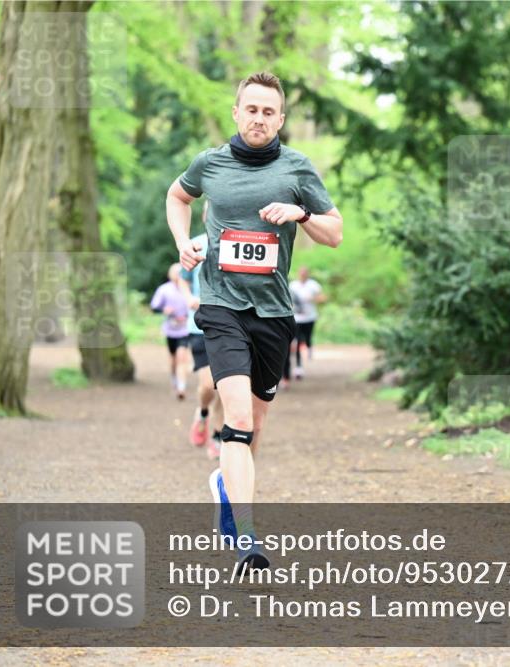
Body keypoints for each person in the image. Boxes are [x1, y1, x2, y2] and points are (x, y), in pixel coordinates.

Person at [166, 71, 342, 570]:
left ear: (280, 119)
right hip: (221, 307)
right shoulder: (210, 164)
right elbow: (177, 196)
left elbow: (335, 233)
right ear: (236, 113)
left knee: (254, 426)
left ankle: (226, 484)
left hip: (274, 313)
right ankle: (247, 539)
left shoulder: (297, 168)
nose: (259, 118)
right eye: (252, 109)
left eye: (269, 111)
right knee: (238, 421)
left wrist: (301, 214)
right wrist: (183, 241)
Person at [179, 201, 225, 458]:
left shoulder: (236, 243)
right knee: (209, 385)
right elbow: (182, 279)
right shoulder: (195, 244)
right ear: (206, 216)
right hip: (200, 325)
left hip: (232, 325)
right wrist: (188, 299)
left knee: (227, 385)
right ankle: (203, 412)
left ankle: (218, 436)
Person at [149, 264, 191, 401]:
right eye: (175, 272)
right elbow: (154, 307)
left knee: (182, 357)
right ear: (169, 274)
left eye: (180, 272)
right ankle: (174, 379)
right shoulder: (164, 289)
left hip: (185, 329)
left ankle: (181, 387)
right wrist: (164, 310)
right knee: (173, 359)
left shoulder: (189, 288)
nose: (177, 275)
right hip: (170, 329)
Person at [283, 266, 324, 384]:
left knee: (307, 338)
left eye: (305, 273)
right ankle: (298, 368)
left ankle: (309, 348)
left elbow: (322, 298)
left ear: (308, 274)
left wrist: (313, 298)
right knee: (296, 342)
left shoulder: (313, 285)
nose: (303, 275)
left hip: (310, 317)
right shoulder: (293, 285)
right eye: (301, 273)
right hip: (296, 318)